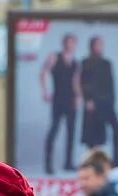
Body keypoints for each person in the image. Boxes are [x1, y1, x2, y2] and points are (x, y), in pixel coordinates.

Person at [41, 34, 80, 174]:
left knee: (71, 131)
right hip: (58, 98)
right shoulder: (55, 57)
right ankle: (48, 164)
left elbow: (75, 82)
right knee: (54, 129)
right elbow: (43, 72)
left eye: (73, 43)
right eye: (69, 42)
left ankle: (68, 162)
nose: (71, 45)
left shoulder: (75, 63)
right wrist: (45, 91)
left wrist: (78, 97)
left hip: (71, 99)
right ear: (64, 43)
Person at [78, 36, 118, 166]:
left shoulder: (107, 63)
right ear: (92, 46)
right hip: (93, 103)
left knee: (116, 127)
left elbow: (111, 83)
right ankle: (93, 163)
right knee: (93, 133)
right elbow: (83, 83)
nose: (99, 47)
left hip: (106, 103)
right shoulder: (86, 62)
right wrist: (88, 99)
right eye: (97, 45)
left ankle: (116, 160)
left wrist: (112, 101)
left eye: (101, 45)